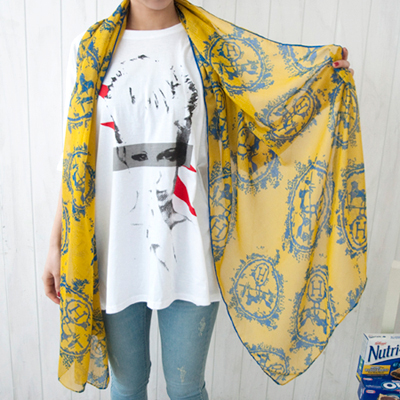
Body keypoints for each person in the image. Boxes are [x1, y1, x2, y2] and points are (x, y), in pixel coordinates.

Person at [42, 0, 360, 399]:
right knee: (127, 386)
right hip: (113, 252)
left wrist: (321, 85)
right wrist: (55, 244)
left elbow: (263, 128)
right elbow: (75, 159)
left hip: (191, 251)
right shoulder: (89, 50)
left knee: (186, 389)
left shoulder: (215, 51)